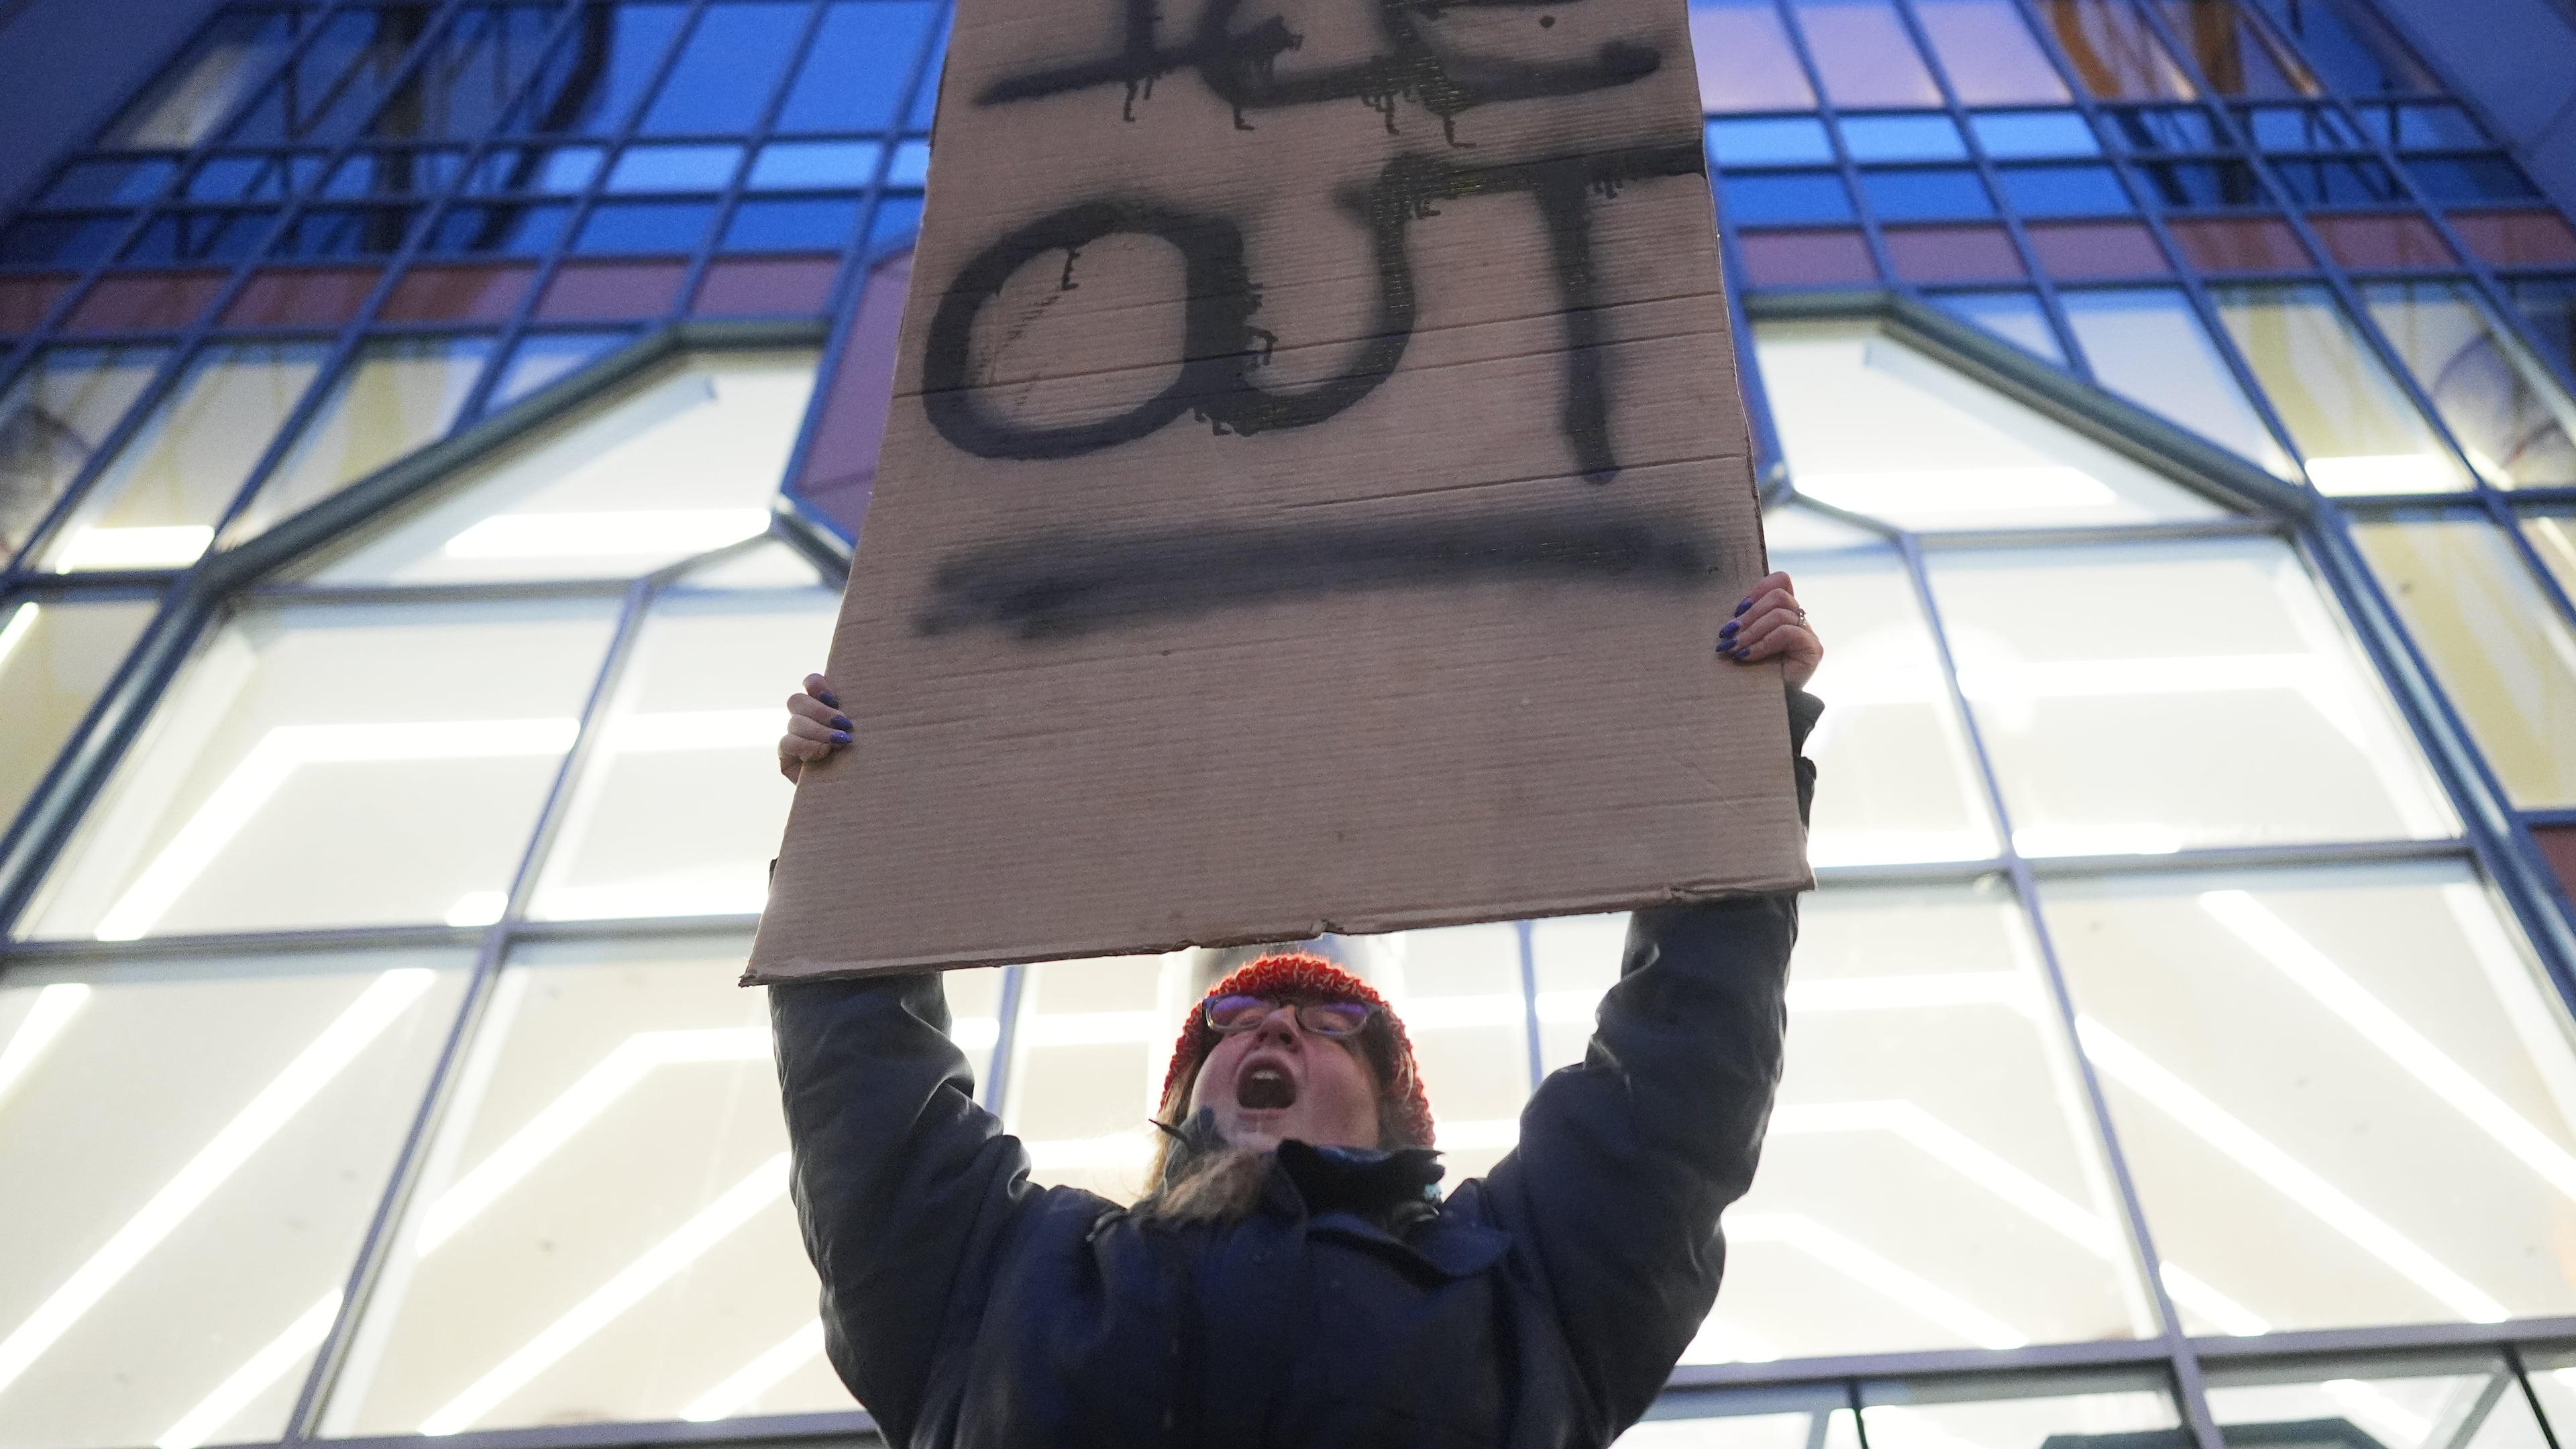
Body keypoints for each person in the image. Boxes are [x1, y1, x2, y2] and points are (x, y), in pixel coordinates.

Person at [767, 570, 1825, 1448]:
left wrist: (1746, 742)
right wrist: (848, 815)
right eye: (1235, 1021)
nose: (1273, 1025)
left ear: (1399, 1111)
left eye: (1326, 1024)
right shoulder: (993, 1280)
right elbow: (861, 1087)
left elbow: (1689, 1060)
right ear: (1181, 1096)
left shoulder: (1529, 1283)